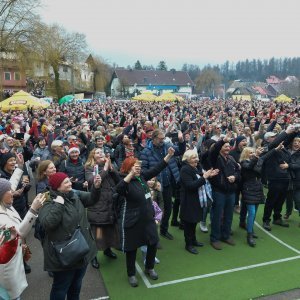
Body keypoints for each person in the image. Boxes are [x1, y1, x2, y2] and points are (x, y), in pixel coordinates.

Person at [115, 147, 175, 287]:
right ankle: (131, 274)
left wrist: (169, 156)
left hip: (148, 219)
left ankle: (149, 267)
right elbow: (119, 189)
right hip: (133, 221)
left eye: (139, 167)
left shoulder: (142, 177)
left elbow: (156, 169)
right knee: (132, 249)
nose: (139, 169)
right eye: (136, 167)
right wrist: (130, 175)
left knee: (153, 242)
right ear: (129, 168)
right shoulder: (125, 180)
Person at [38, 172, 102, 300]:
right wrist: (59, 204)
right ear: (57, 186)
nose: (70, 183)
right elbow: (48, 223)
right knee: (60, 288)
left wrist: (96, 187)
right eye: (66, 182)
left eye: (69, 181)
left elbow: (91, 199)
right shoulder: (47, 199)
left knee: (76, 285)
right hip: (64, 255)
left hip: (81, 249)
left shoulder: (73, 193)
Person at [0, 178, 46, 300]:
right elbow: (19, 232)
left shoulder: (5, 205)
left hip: (11, 258)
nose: (13, 192)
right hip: (6, 267)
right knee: (11, 295)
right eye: (9, 190)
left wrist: (20, 167)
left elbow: (7, 185)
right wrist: (33, 209)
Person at [140, 128, 186, 240]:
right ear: (153, 138)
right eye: (160, 139)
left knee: (168, 208)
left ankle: (164, 230)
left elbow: (180, 151)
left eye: (163, 138)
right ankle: (152, 234)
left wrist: (181, 141)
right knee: (154, 211)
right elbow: (144, 171)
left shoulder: (166, 145)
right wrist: (151, 181)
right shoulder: (146, 151)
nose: (162, 140)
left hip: (168, 183)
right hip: (155, 186)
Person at [85, 148, 120, 269]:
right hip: (98, 206)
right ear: (93, 156)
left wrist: (111, 168)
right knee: (97, 234)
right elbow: (92, 181)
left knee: (110, 229)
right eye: (98, 153)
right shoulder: (90, 168)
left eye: (102, 152)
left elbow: (118, 180)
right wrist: (105, 169)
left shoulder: (109, 165)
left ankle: (107, 250)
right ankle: (93, 256)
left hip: (110, 204)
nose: (101, 154)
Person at [180, 150, 219, 254]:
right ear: (187, 159)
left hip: (196, 200)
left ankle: (193, 241)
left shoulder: (194, 167)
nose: (197, 159)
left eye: (196, 157)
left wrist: (208, 175)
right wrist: (204, 177)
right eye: (194, 158)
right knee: (189, 224)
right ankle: (188, 245)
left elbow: (198, 175)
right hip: (188, 201)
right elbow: (190, 185)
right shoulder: (185, 169)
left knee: (194, 222)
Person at [208, 133, 241, 250]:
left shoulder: (231, 159)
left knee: (228, 215)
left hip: (231, 192)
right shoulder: (215, 158)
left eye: (228, 146)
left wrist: (235, 177)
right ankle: (214, 238)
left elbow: (238, 171)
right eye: (225, 146)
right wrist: (222, 140)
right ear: (220, 147)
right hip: (219, 191)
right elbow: (213, 152)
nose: (228, 148)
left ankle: (225, 235)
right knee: (217, 216)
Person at [240, 147, 265, 247]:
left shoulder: (256, 160)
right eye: (250, 153)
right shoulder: (243, 162)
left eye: (253, 152)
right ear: (246, 154)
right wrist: (256, 156)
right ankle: (249, 235)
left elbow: (259, 167)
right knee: (252, 212)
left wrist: (276, 148)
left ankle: (251, 229)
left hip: (258, 188)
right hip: (248, 189)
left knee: (254, 213)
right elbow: (250, 166)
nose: (252, 154)